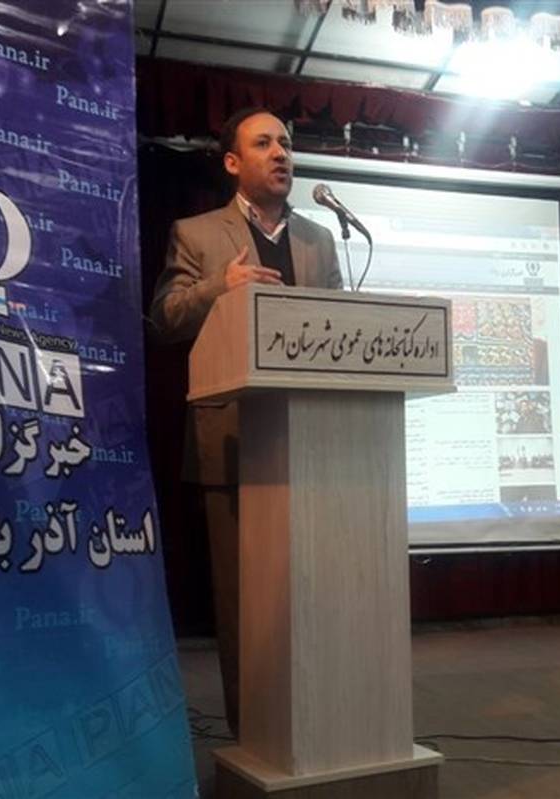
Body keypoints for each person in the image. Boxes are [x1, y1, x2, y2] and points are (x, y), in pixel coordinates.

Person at [149, 107, 343, 735]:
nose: (281, 153)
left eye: (285, 142)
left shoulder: (319, 239)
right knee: (243, 601)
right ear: (233, 162)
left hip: (309, 440)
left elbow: (341, 332)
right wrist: (219, 289)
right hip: (230, 439)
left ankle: (315, 723)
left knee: (311, 593)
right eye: (264, 143)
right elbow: (164, 319)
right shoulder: (196, 233)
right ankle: (253, 737)